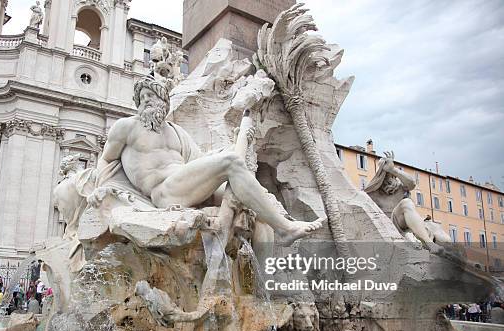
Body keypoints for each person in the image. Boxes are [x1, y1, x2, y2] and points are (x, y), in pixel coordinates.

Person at [86, 76, 325, 246]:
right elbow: (106, 161)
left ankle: (264, 285)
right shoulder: (126, 127)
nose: (146, 101)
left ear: (164, 102)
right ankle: (286, 228)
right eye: (142, 97)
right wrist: (101, 191)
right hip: (163, 192)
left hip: (188, 187)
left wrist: (240, 139)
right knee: (230, 162)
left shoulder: (177, 132)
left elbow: (203, 164)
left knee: (252, 205)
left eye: (151, 96)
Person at [364, 152, 446, 253]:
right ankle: (429, 243)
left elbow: (412, 184)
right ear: (380, 177)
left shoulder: (401, 188)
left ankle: (429, 243)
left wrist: (393, 169)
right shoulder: (373, 193)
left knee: (443, 237)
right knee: (406, 203)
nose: (389, 179)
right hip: (388, 225)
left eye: (391, 176)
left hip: (404, 222)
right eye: (385, 176)